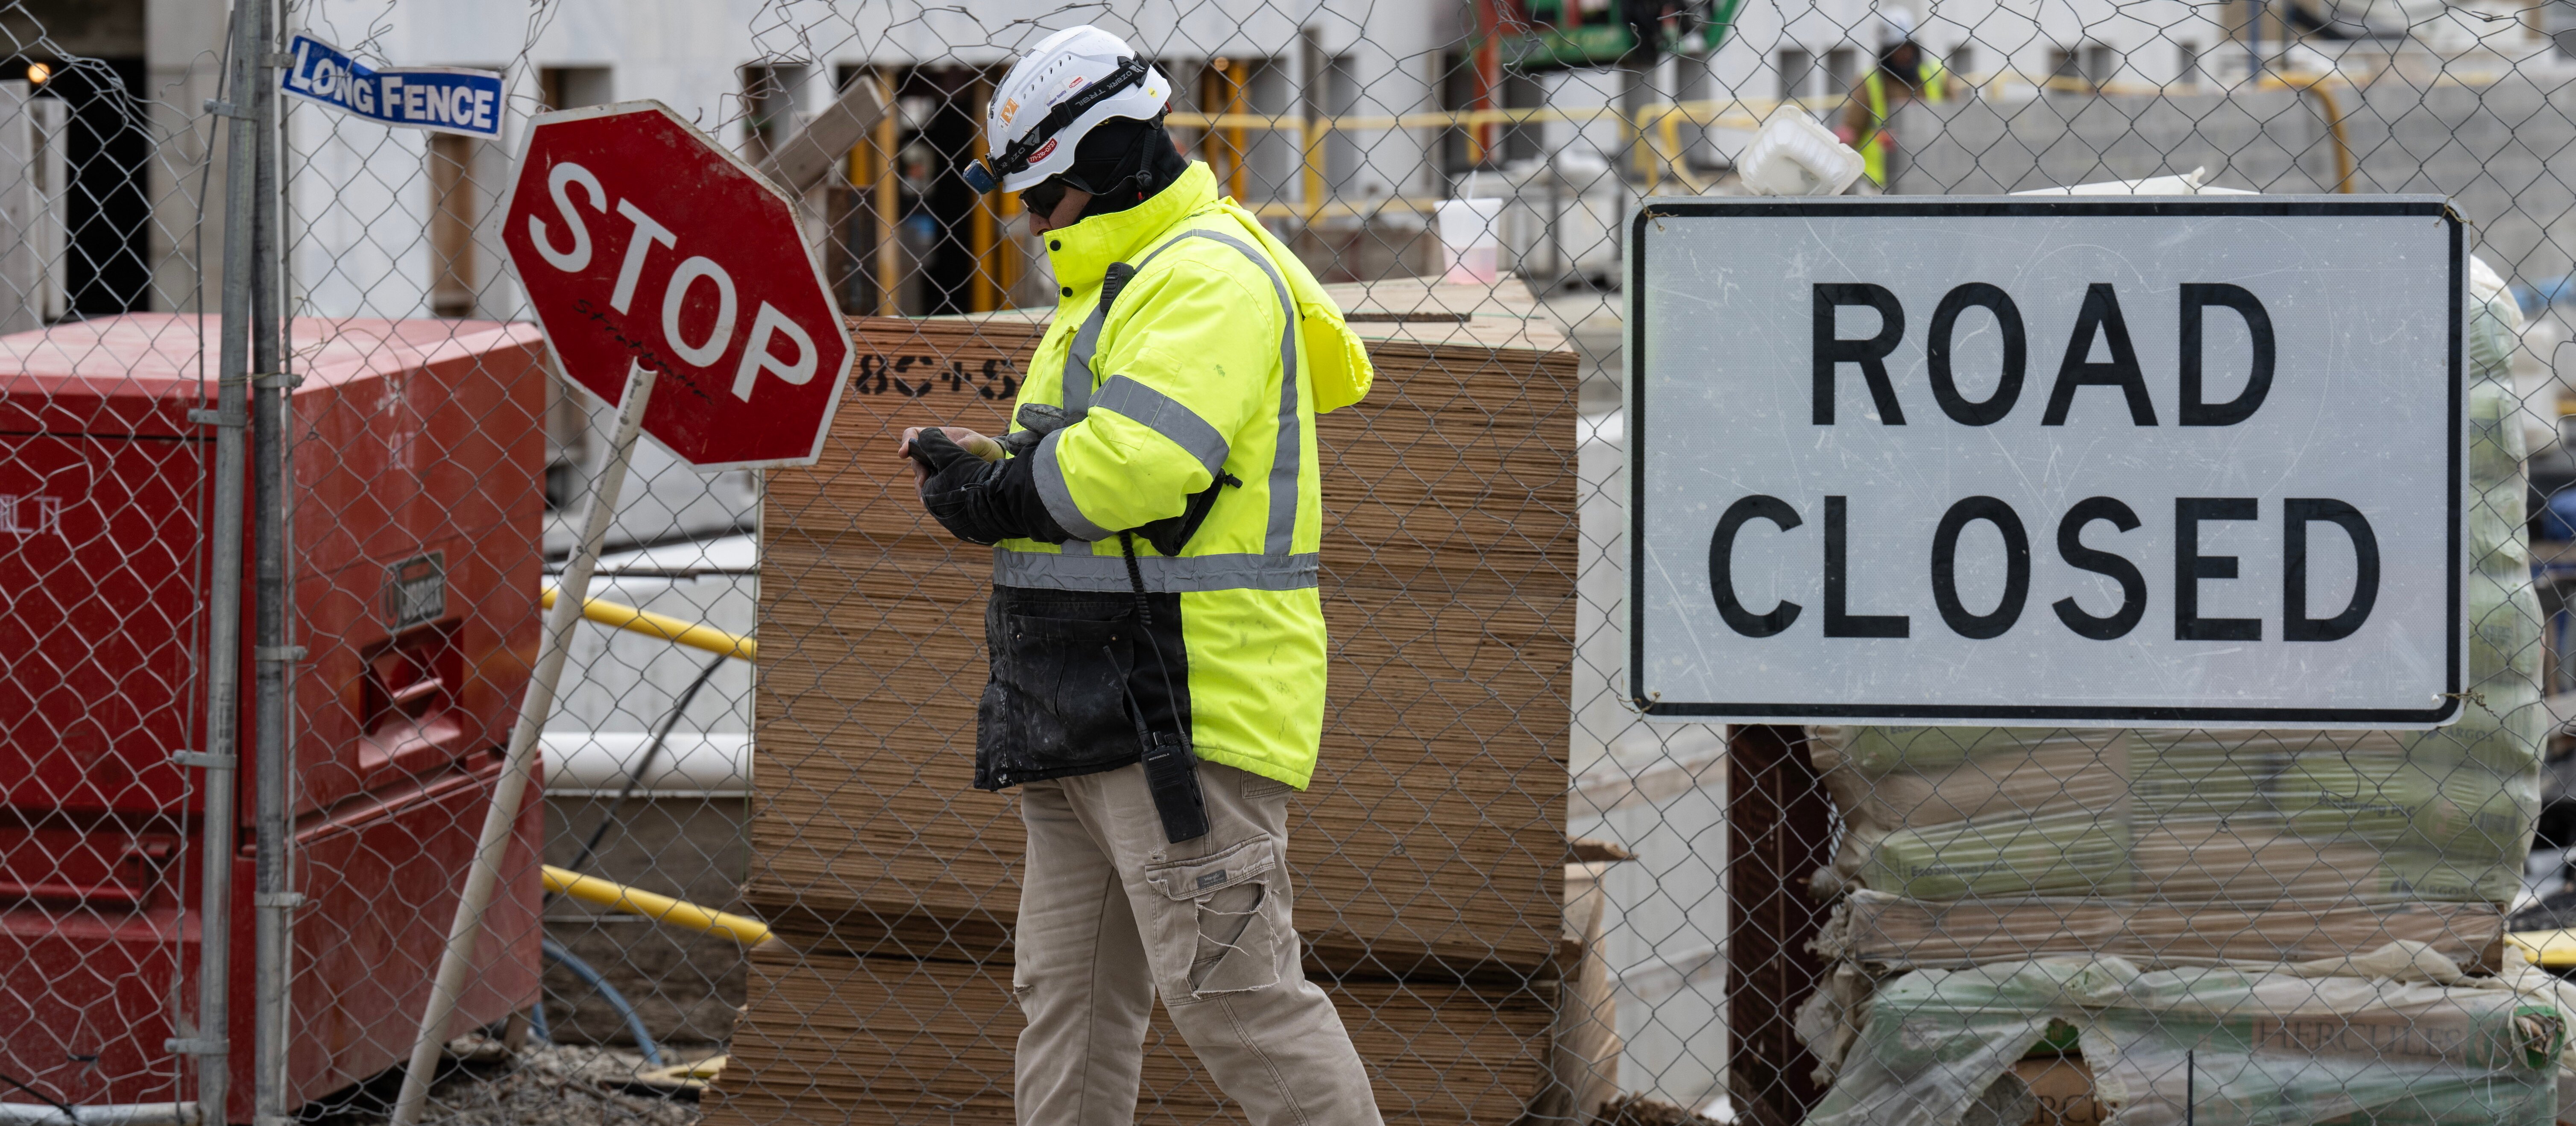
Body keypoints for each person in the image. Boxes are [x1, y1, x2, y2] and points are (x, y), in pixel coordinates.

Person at [892, 24, 1384, 1126]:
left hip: (1177, 711)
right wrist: (993, 474)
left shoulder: (1205, 276)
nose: (1029, 221)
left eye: (1043, 196)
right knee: (1066, 1001)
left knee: (1238, 1003)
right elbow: (1079, 463)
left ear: (1109, 161)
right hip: (1082, 708)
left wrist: (998, 495)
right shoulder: (1114, 286)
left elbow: (1140, 463)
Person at [1837, 9, 1962, 187]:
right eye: (1896, 50)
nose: (1904, 55)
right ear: (1886, 53)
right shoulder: (1869, 82)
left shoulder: (1938, 75)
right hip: (1881, 182)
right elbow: (1851, 132)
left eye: (1907, 47)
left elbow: (1957, 120)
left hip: (1934, 175)